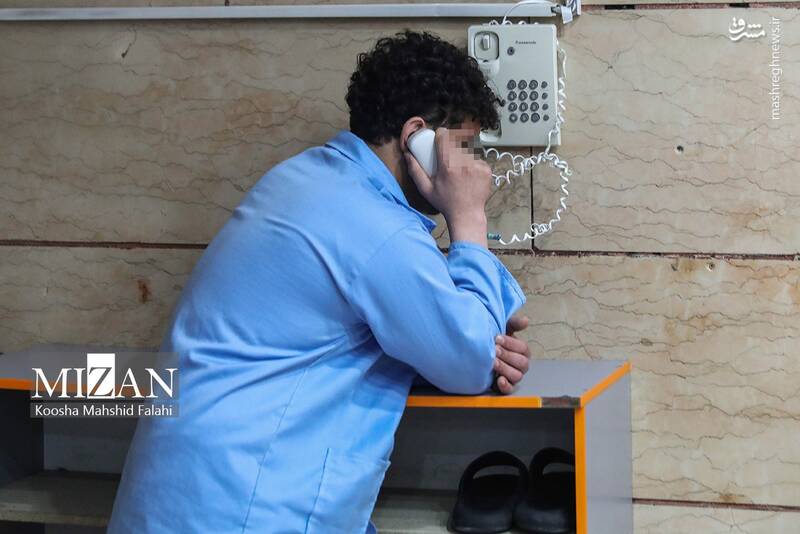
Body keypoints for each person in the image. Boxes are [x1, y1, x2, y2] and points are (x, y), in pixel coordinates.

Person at [108, 29, 531, 533]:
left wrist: (465, 338)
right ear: (417, 137)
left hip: (184, 494)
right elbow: (469, 361)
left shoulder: (301, 180)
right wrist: (469, 217)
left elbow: (346, 339)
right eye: (465, 147)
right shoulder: (376, 226)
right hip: (245, 504)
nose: (475, 168)